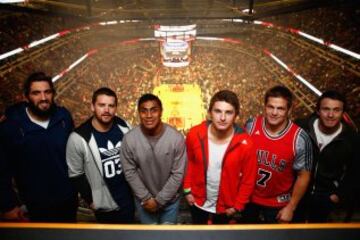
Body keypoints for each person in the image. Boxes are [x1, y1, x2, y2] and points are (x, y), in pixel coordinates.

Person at [0, 72, 77, 222]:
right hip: (33, 205)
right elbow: (1, 170)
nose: (43, 98)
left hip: (67, 201)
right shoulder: (12, 126)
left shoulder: (64, 117)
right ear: (26, 96)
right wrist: (8, 205)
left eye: (47, 92)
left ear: (53, 94)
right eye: (36, 93)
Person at [183, 90, 257, 224]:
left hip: (227, 208)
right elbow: (189, 162)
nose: (222, 118)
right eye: (218, 111)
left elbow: (249, 179)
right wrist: (187, 190)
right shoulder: (194, 134)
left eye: (228, 112)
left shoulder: (246, 143)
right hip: (198, 203)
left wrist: (238, 206)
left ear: (236, 116)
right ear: (210, 112)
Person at [242, 85, 313, 223]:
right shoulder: (251, 126)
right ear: (265, 106)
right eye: (270, 107)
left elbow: (303, 176)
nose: (274, 112)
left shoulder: (299, 138)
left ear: (289, 110)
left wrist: (291, 206)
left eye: (280, 108)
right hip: (249, 199)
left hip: (278, 203)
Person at [66, 87, 134, 223]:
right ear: (92, 106)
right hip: (103, 205)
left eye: (111, 106)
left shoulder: (124, 126)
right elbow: (75, 174)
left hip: (128, 200)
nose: (107, 110)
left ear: (116, 108)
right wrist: (91, 200)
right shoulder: (78, 138)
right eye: (102, 105)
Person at [120, 93, 186, 224]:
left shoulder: (176, 138)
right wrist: (147, 198)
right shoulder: (129, 139)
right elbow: (129, 172)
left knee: (168, 237)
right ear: (139, 113)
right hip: (144, 202)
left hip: (170, 202)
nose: (149, 115)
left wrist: (159, 200)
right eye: (144, 111)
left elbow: (178, 174)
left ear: (161, 112)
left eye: (154, 110)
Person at [295, 90, 357, 222]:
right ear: (318, 111)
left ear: (342, 113)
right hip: (297, 194)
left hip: (326, 198)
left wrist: (339, 195)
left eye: (336, 110)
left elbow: (355, 171)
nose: (330, 115)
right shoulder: (301, 127)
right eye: (326, 109)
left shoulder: (351, 138)